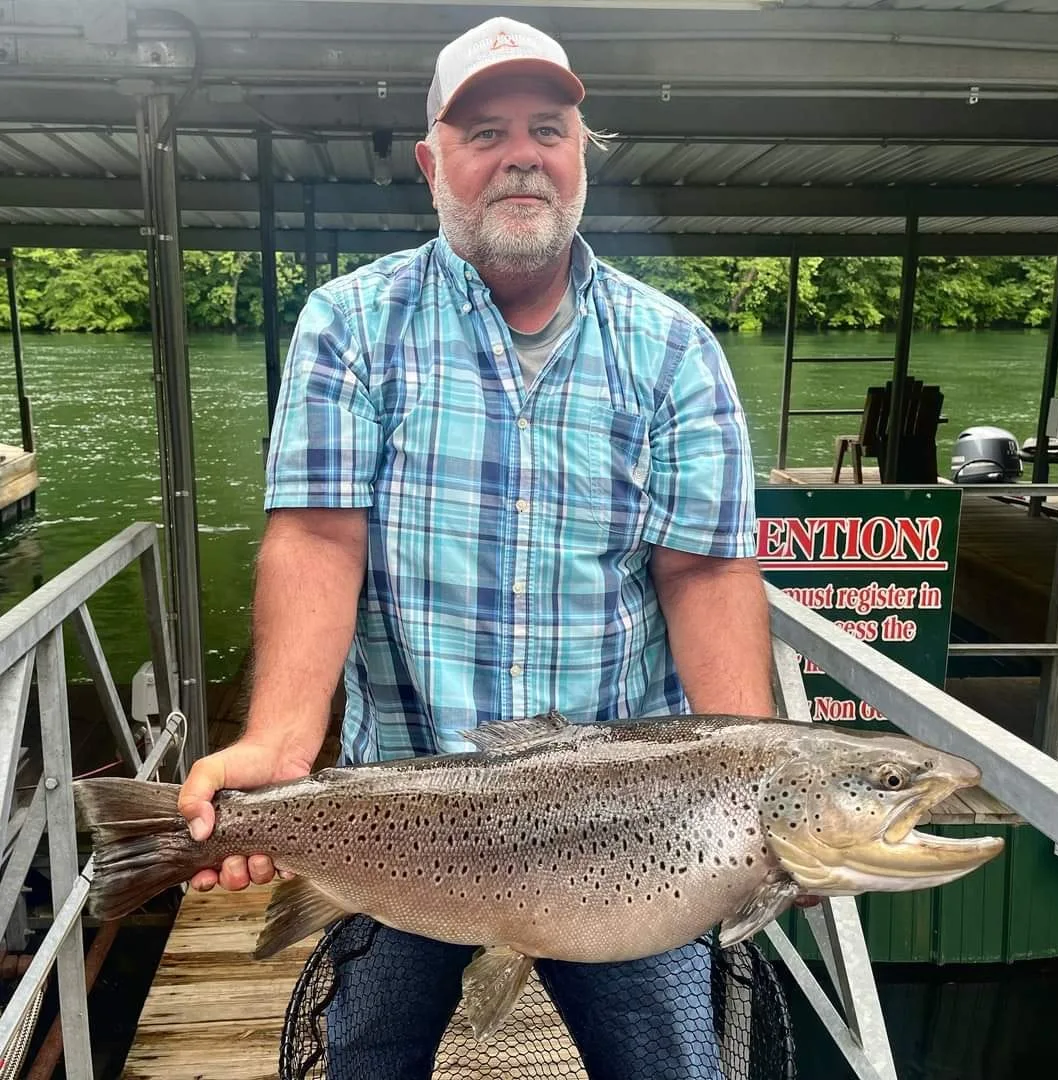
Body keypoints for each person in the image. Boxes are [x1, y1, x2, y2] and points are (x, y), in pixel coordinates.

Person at [177, 15, 780, 1079]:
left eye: (547, 128)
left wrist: (768, 786)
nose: (520, 154)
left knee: (671, 1067)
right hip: (405, 804)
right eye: (485, 130)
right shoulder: (353, 326)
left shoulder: (675, 350)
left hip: (623, 825)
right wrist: (278, 748)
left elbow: (706, 570)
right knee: (367, 1060)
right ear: (431, 161)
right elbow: (318, 535)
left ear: (581, 151)